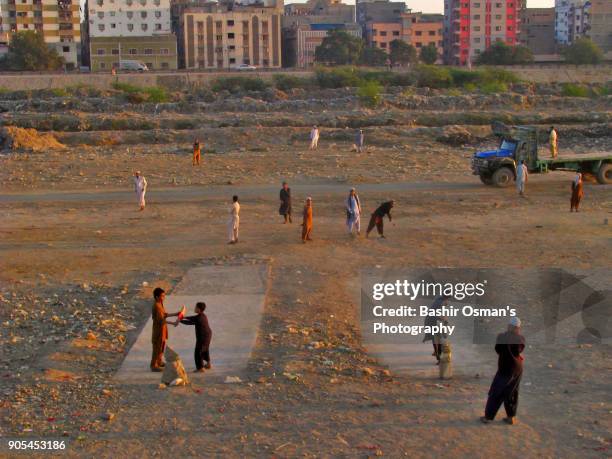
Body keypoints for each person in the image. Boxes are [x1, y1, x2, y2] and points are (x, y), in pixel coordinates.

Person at [481, 317, 526, 425]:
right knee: (512, 392)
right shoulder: (521, 339)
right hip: (518, 369)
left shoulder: (501, 337)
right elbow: (519, 351)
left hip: (505, 369)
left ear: (509, 326)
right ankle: (511, 417)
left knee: (496, 392)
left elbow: (498, 350)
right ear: (518, 328)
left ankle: (488, 417)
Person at [150, 288, 182, 372]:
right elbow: (161, 320)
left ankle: (159, 361)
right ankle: (154, 365)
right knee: (157, 348)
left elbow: (164, 314)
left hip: (162, 330)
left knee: (161, 347)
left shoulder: (160, 303)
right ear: (157, 297)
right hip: (158, 331)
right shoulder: (156, 306)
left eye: (164, 296)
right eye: (162, 296)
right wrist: (173, 323)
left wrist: (176, 313)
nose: (164, 297)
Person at [180, 302, 212, 372]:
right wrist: (184, 317)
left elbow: (189, 322)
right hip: (208, 335)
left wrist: (180, 320)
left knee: (198, 352)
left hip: (203, 337)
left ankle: (200, 368)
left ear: (199, 309)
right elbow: (193, 318)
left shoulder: (199, 318)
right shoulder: (202, 315)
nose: (194, 308)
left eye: (196, 307)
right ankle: (208, 364)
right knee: (205, 349)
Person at [422, 295, 450, 363]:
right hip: (433, 322)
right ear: (445, 299)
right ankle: (439, 358)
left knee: (435, 338)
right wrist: (445, 322)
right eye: (448, 300)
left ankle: (437, 353)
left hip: (430, 320)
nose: (448, 302)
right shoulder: (440, 304)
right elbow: (440, 316)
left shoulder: (438, 300)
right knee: (439, 339)